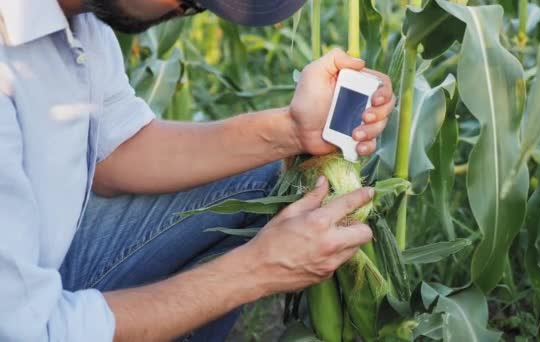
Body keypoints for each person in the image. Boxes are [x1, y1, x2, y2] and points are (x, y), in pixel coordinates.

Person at [0, 0, 396, 341]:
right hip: (25, 321)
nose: (183, 12)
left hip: (40, 269)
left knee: (263, 183)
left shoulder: (80, 19)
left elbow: (115, 150)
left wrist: (293, 131)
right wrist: (256, 270)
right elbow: (30, 332)